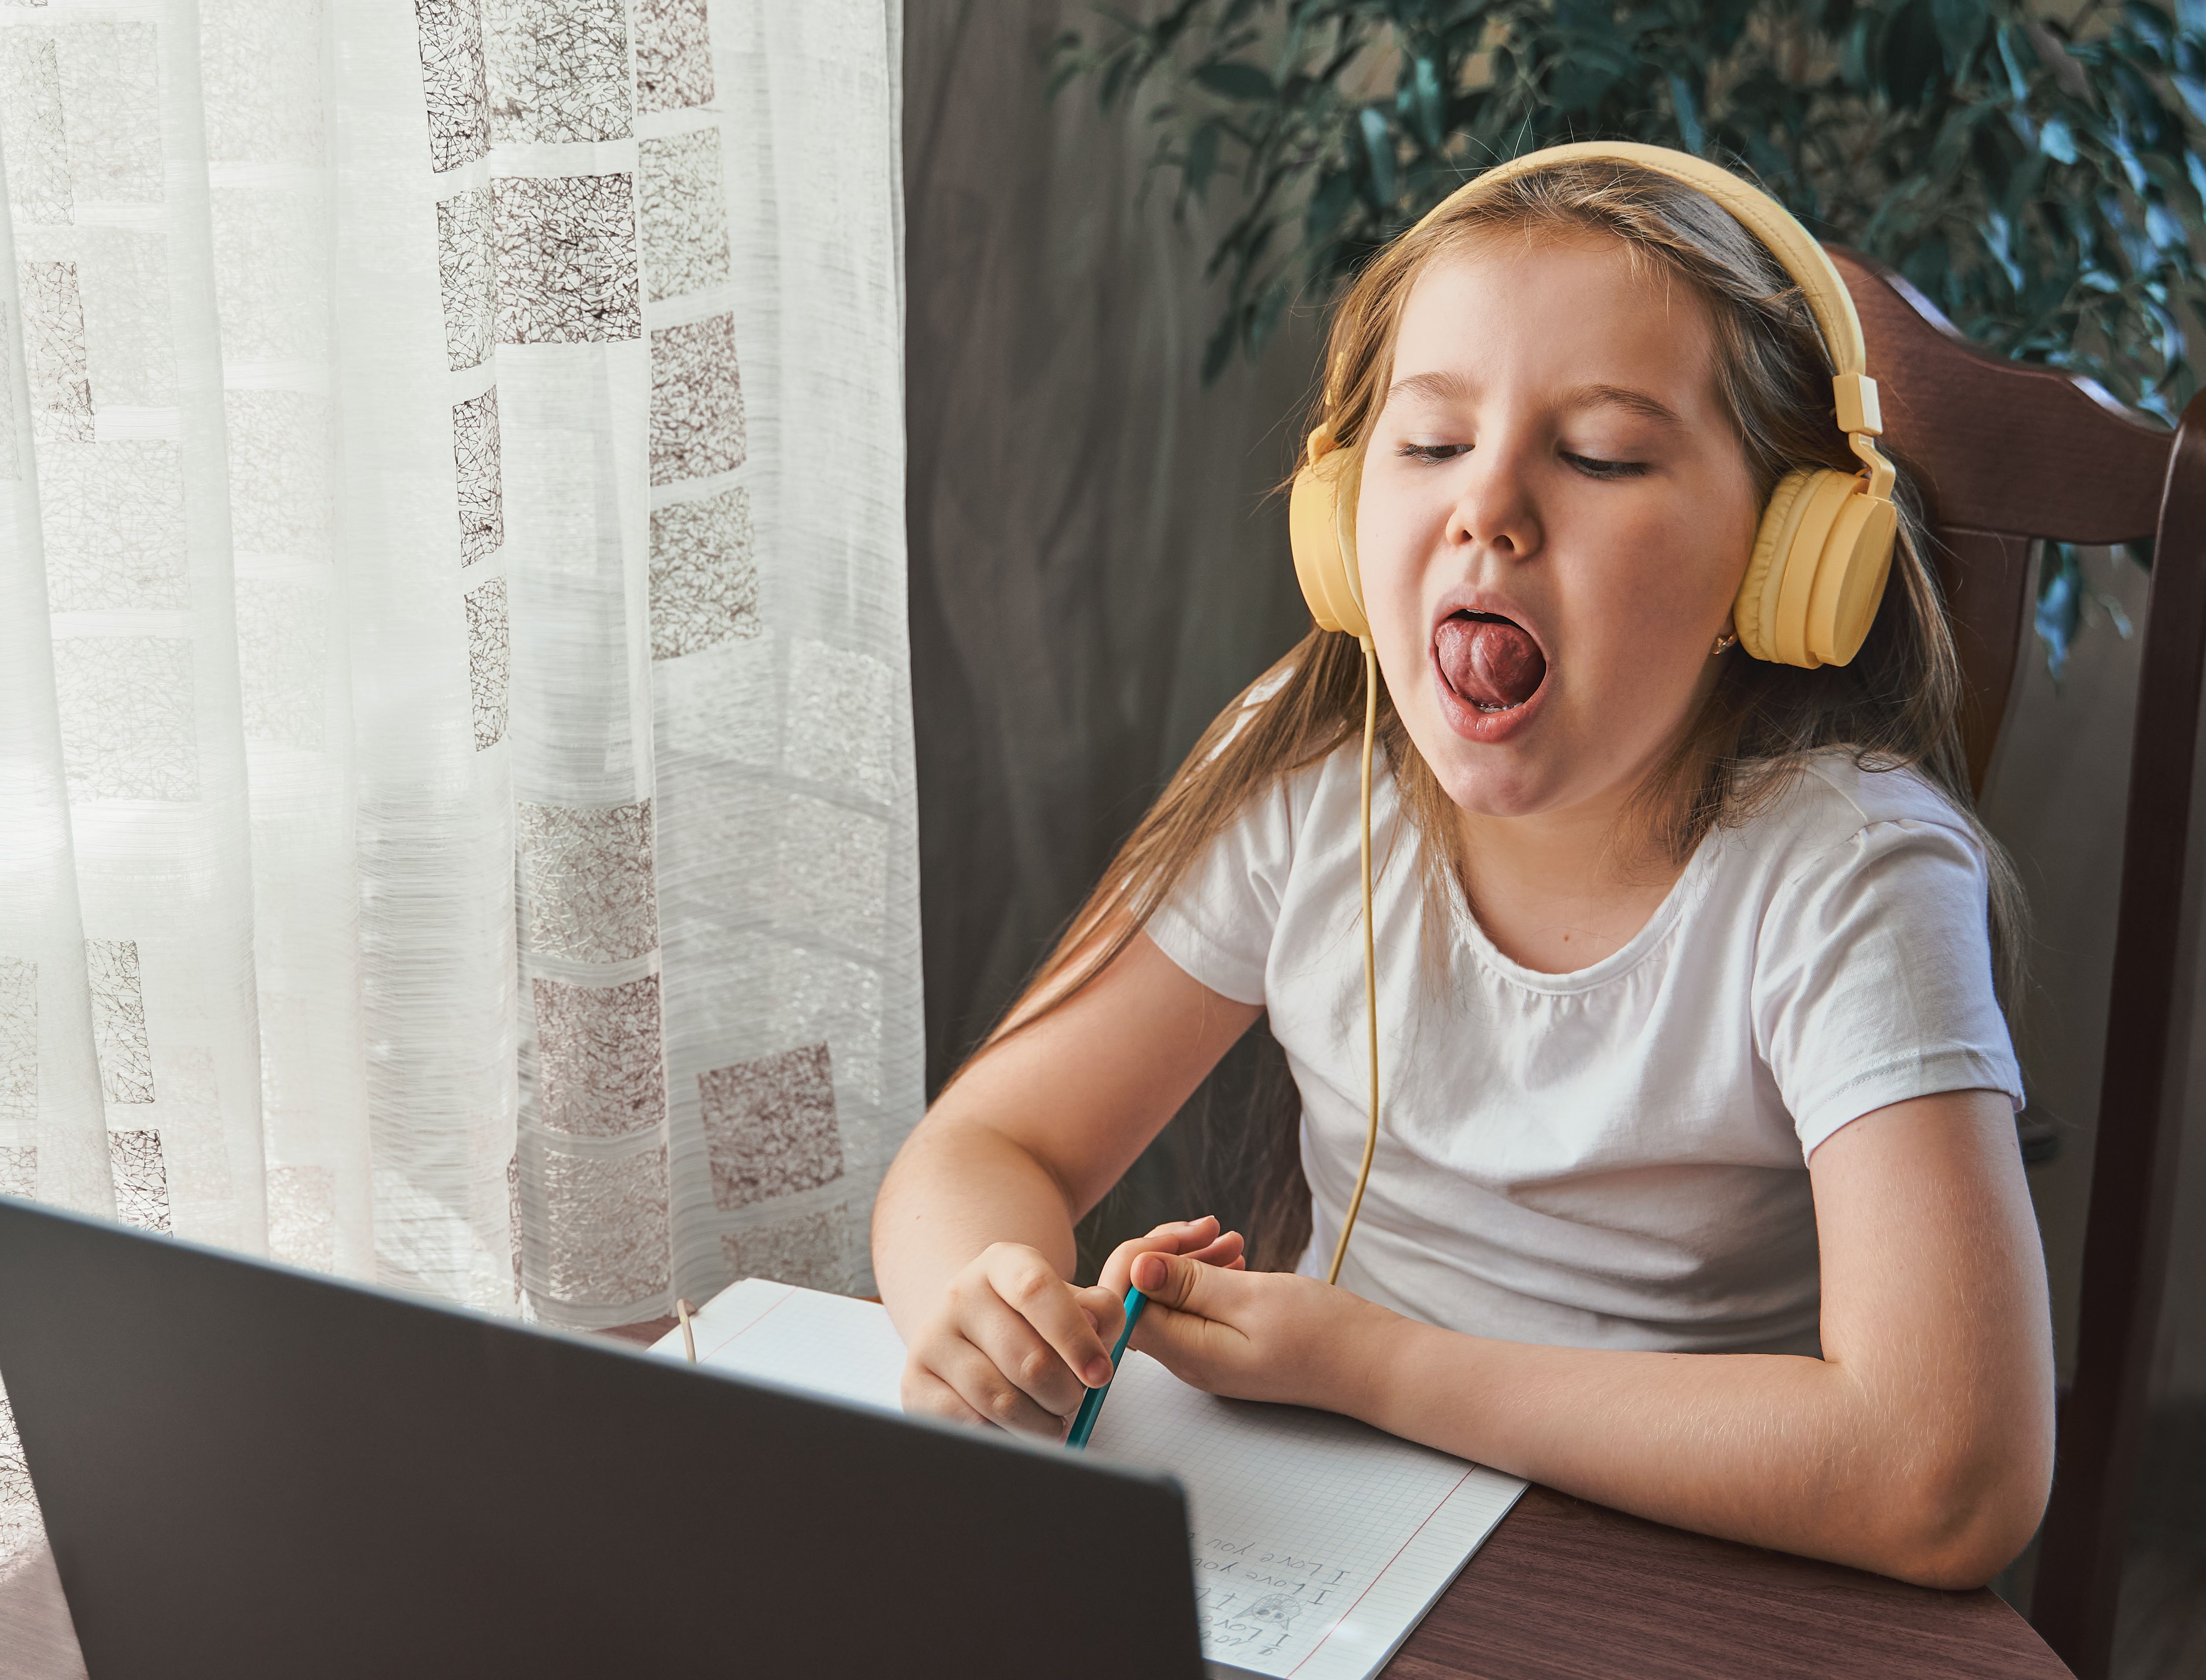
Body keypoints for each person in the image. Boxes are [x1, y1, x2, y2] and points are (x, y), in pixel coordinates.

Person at [869, 149, 2053, 1590]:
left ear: (1783, 563)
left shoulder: (1851, 872)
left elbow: (1949, 1474)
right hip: (1331, 1538)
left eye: (1603, 456)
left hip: (1684, 1576)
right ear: (1340, 518)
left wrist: (1383, 1368)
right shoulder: (1305, 768)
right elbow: (988, 1147)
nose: (1485, 510)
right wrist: (978, 1304)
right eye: (1427, 446)